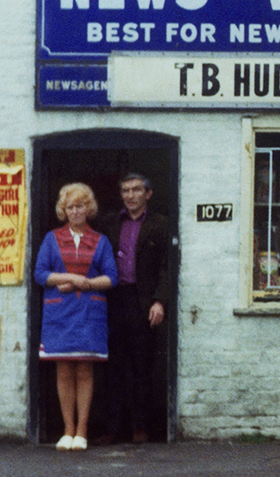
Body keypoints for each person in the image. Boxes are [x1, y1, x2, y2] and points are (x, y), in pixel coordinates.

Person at [35, 182, 115, 451]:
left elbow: (111, 278)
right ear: (64, 210)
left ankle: (82, 431)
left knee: (84, 370)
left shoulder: (100, 241)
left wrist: (87, 284)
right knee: (64, 371)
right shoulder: (51, 238)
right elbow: (41, 274)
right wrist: (72, 277)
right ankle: (67, 429)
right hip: (60, 313)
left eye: (80, 205)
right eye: (70, 206)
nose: (75, 211)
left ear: (88, 208)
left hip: (89, 313)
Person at [99, 171, 177, 444]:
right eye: (125, 190)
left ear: (148, 194)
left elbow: (168, 267)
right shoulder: (109, 223)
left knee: (142, 367)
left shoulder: (161, 224)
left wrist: (160, 301)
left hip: (143, 301)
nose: (130, 195)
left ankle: (140, 426)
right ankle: (111, 428)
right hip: (113, 298)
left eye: (136, 190)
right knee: (113, 366)